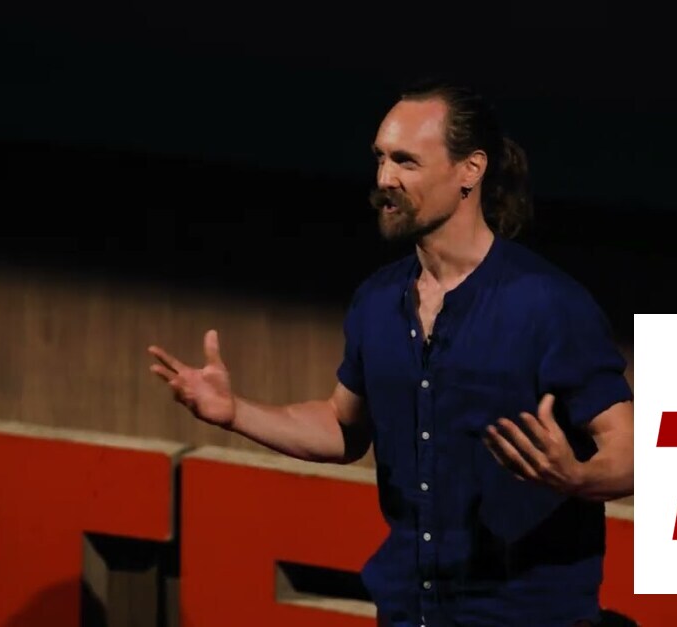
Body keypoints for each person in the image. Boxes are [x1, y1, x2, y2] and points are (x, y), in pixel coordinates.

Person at [148, 79, 634, 627]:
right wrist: (235, 411)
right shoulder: (377, 301)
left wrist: (576, 477)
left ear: (470, 170)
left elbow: (631, 449)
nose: (384, 179)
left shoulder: (547, 304)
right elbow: (343, 426)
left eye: (406, 161)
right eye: (380, 158)